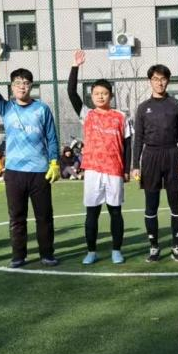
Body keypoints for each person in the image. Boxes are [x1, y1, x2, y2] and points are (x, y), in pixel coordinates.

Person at [0, 43, 60, 268]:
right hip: (15, 172)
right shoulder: (6, 107)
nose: (22, 87)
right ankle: (18, 256)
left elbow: (52, 137)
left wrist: (54, 162)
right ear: (12, 87)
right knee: (17, 217)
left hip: (39, 171)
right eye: (17, 83)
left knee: (44, 216)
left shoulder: (42, 109)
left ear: (31, 86)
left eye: (26, 83)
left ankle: (47, 254)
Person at [67, 50, 132, 265]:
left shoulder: (121, 117)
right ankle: (91, 251)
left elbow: (128, 144)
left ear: (110, 96)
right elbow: (71, 92)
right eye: (96, 93)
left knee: (116, 212)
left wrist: (127, 169)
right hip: (93, 170)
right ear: (92, 96)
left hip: (114, 170)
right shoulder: (87, 114)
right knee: (92, 213)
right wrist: (75, 67)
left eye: (104, 93)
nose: (100, 96)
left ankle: (116, 250)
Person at [131, 64, 178, 262]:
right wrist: (135, 165)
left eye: (163, 79)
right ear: (150, 81)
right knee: (151, 204)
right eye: (156, 79)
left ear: (168, 81)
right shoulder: (143, 108)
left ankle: (176, 246)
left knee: (176, 203)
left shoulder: (176, 105)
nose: (159, 82)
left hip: (172, 155)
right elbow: (138, 138)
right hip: (150, 156)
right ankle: (154, 247)